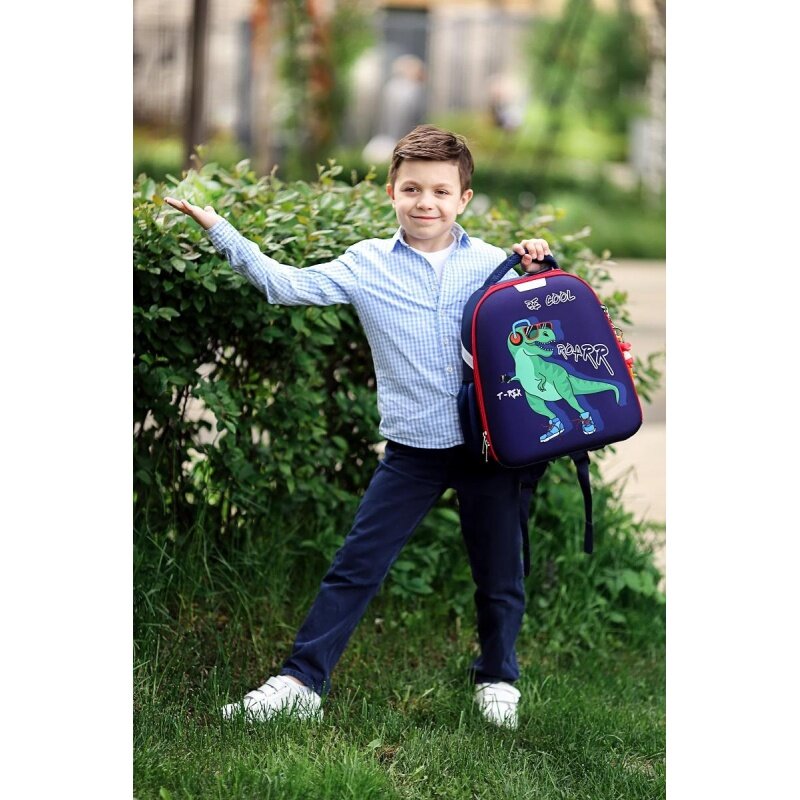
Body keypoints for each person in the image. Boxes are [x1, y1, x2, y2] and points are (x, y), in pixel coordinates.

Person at [164, 124, 552, 730]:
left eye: (441, 192)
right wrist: (220, 229)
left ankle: (497, 677)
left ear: (464, 199)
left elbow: (547, 325)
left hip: (490, 448)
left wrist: (541, 266)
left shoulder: (494, 264)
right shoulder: (365, 264)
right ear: (392, 192)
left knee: (500, 573)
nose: (426, 203)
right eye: (412, 189)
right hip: (412, 452)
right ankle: (301, 683)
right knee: (356, 566)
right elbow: (284, 285)